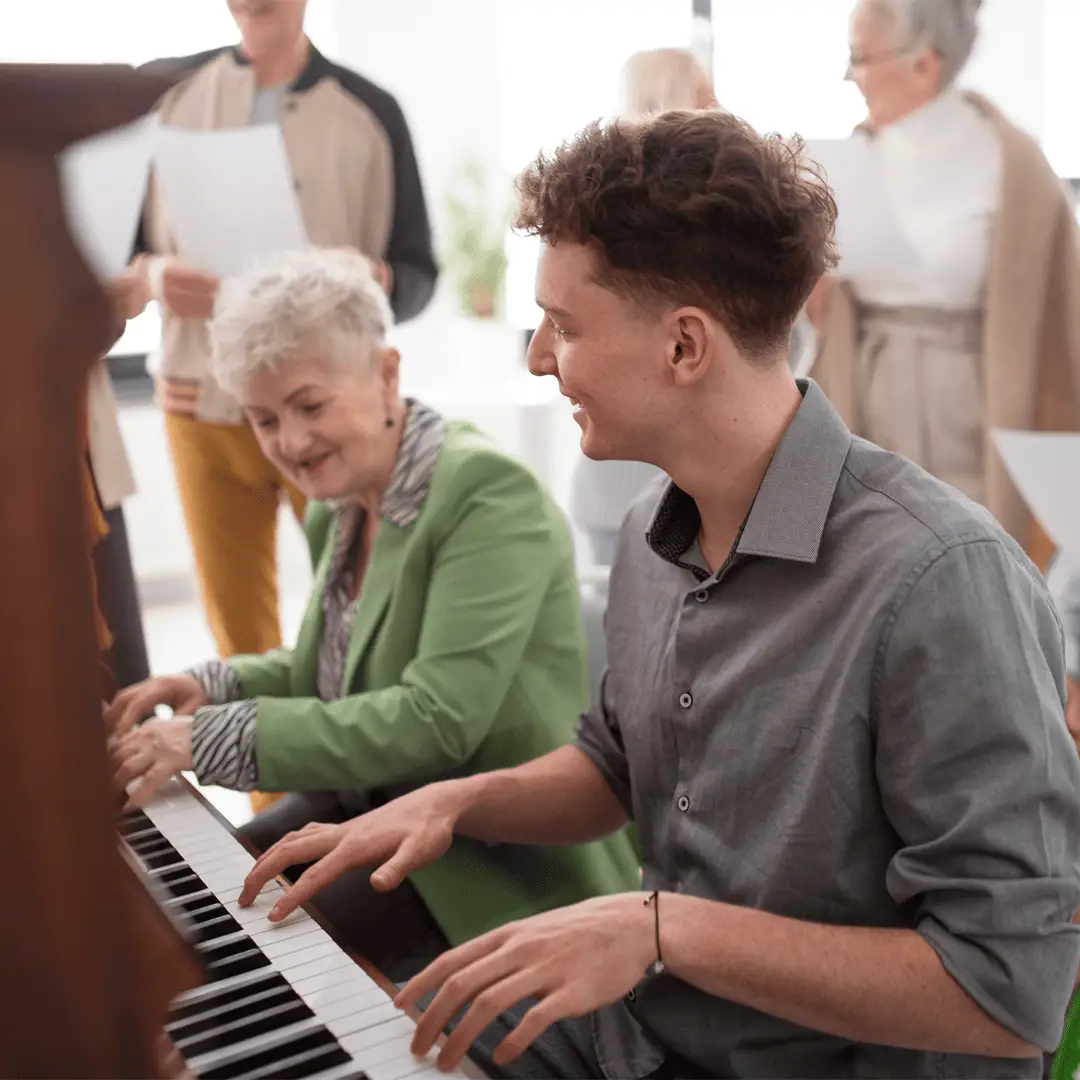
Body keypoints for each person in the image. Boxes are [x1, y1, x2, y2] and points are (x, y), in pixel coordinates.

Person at [238, 110, 1080, 1079]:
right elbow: (615, 767)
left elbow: (1009, 999)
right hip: (649, 1036)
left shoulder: (940, 579)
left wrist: (659, 930)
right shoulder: (650, 529)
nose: (538, 359)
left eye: (564, 325)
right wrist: (454, 803)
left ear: (685, 347)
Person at [105, 248, 639, 982]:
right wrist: (210, 686)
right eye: (265, 420)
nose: (290, 443)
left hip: (485, 857)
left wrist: (209, 739)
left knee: (228, 962)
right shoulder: (343, 503)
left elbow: (434, 720)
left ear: (386, 373)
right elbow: (328, 669)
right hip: (372, 811)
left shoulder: (488, 495)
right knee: (192, 911)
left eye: (310, 406)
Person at [127, 0, 438, 812]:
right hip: (199, 404)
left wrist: (362, 275)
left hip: (332, 408)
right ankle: (277, 819)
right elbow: (115, 258)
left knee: (364, 627)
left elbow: (417, 273)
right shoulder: (165, 98)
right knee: (240, 636)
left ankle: (363, 805)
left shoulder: (372, 110)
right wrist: (159, 277)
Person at [809, 0, 1080, 571]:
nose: (849, 77)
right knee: (868, 564)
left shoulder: (1014, 163)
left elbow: (1062, 324)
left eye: (860, 58)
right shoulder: (855, 155)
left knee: (972, 569)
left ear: (923, 64)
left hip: (972, 413)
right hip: (866, 398)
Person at [570, 48, 717, 568]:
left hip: (654, 487)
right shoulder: (628, 224)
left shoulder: (597, 215)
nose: (721, 106)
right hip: (634, 489)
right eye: (706, 95)